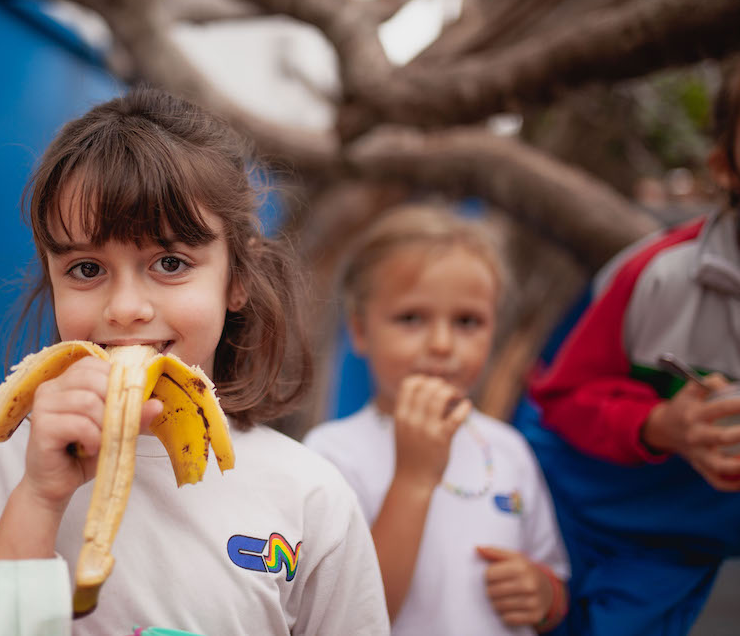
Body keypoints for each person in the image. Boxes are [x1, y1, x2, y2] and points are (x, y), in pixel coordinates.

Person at [0, 87, 390, 636]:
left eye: (169, 262)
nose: (124, 310)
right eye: (87, 270)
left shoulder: (308, 495)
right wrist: (39, 499)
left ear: (236, 278)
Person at [520, 59, 740, 635]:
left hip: (672, 553)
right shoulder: (660, 276)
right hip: (573, 512)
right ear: (726, 166)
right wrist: (662, 422)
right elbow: (560, 397)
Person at [303, 204, 570, 635]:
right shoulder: (331, 454)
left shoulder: (508, 449)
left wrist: (543, 594)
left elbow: (554, 583)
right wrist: (414, 477)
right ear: (360, 330)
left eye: (467, 321)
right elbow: (352, 616)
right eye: (411, 319)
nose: (443, 344)